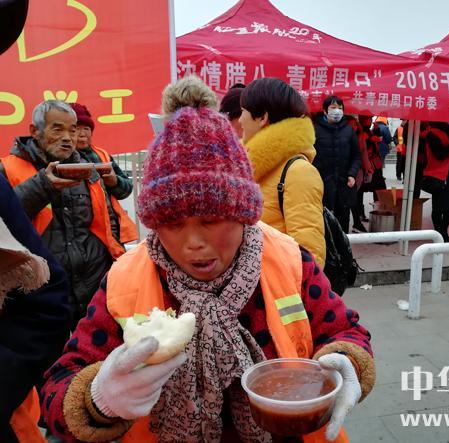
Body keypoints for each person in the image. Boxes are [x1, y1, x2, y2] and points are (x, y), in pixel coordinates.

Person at [40, 103, 375, 442]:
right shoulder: (125, 280)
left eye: (211, 220)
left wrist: (346, 360)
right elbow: (57, 387)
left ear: (243, 213)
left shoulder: (288, 260)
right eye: (172, 224)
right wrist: (99, 398)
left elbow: (343, 329)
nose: (193, 244)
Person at [0, 100, 127, 328]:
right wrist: (42, 186)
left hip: (93, 284)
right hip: (39, 290)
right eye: (57, 129)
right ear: (35, 131)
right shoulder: (7, 169)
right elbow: (5, 223)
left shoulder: (87, 169)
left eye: (73, 129)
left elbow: (107, 221)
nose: (68, 137)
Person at [0, 175, 70, 443]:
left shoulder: (93, 163)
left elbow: (45, 304)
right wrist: (42, 186)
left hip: (73, 276)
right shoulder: (13, 167)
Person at [240, 77, 326, 267]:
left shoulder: (298, 173)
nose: (240, 120)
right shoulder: (248, 167)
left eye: (243, 111)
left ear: (262, 118)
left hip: (276, 283)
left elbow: (310, 258)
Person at [70, 102, 139, 241]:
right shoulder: (62, 158)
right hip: (78, 233)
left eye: (86, 128)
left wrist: (115, 182)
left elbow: (127, 188)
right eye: (77, 128)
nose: (82, 134)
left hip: (110, 231)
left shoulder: (102, 155)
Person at [313, 96, 361, 233]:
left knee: (343, 220)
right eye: (333, 108)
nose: (337, 111)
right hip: (322, 184)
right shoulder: (315, 130)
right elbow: (308, 156)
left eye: (340, 108)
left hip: (344, 184)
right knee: (322, 220)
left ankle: (343, 245)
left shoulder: (349, 131)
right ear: (324, 111)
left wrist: (352, 174)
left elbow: (357, 156)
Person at [346, 115, 373, 232]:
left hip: (357, 173)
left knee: (353, 197)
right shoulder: (341, 136)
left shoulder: (360, 137)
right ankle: (356, 222)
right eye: (350, 124)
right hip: (344, 172)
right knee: (351, 198)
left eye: (355, 124)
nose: (353, 127)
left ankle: (357, 222)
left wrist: (368, 169)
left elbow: (364, 154)